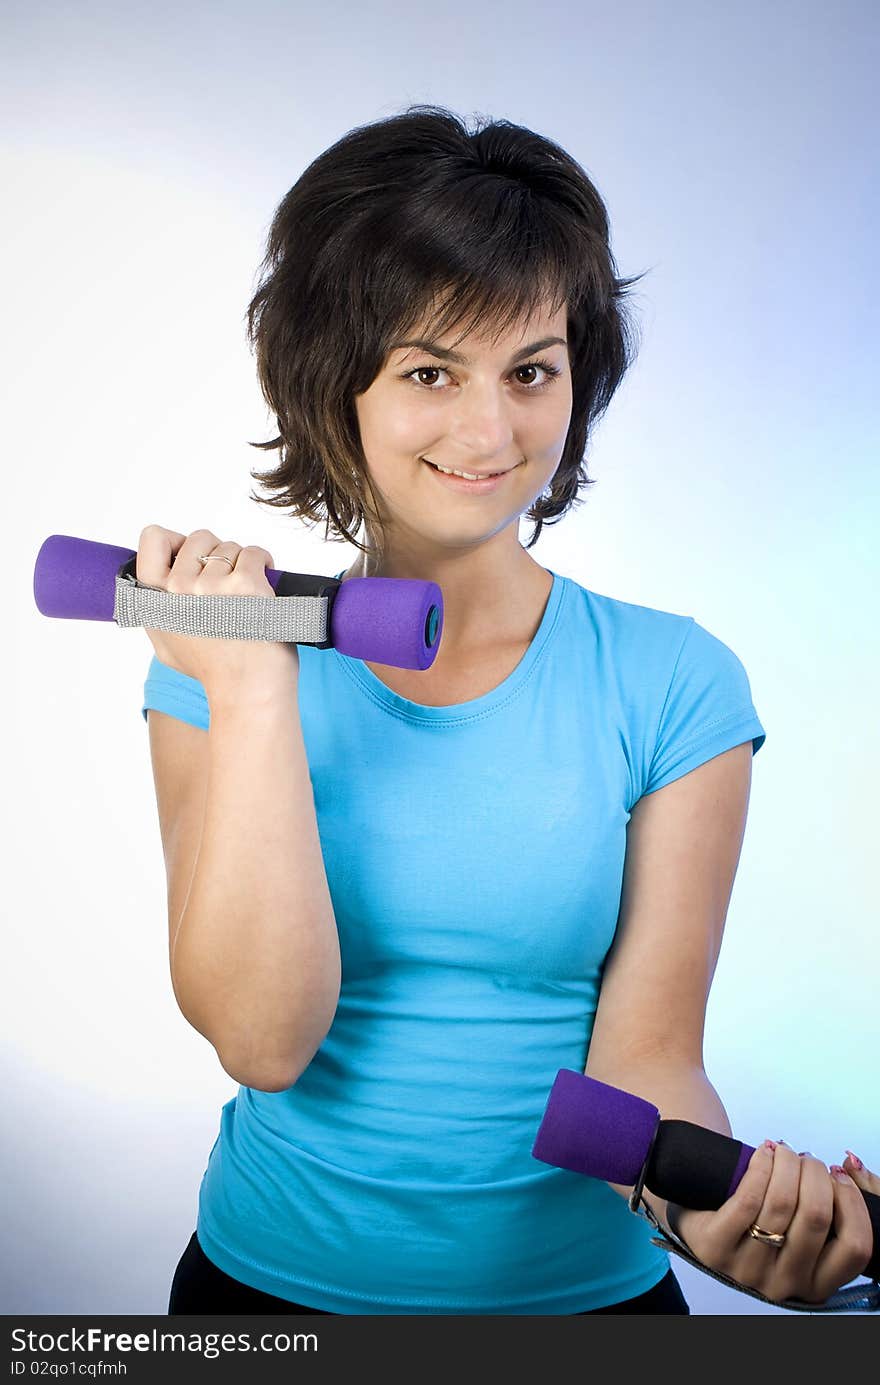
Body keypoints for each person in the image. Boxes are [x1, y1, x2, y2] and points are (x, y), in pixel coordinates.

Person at [138, 105, 875, 1315]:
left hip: (584, 1303)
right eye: (431, 370)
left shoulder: (674, 680)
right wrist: (256, 686)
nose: (491, 432)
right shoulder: (213, 658)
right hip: (268, 1296)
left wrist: (710, 1214)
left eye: (530, 370)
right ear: (339, 384)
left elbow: (646, 1056)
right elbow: (263, 1041)